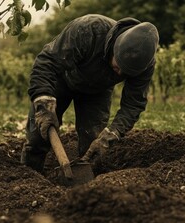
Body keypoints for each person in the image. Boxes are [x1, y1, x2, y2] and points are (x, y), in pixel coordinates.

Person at [21, 14, 159, 173]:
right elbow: (47, 62)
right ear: (115, 46)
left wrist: (114, 133)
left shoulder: (145, 65)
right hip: (61, 79)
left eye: (126, 73)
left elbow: (133, 104)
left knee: (94, 145)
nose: (120, 73)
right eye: (118, 65)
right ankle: (30, 176)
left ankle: (87, 182)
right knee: (38, 136)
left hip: (97, 91)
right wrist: (43, 100)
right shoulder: (89, 30)